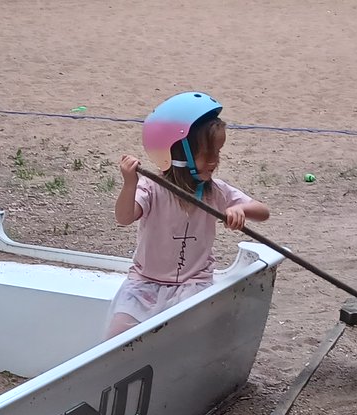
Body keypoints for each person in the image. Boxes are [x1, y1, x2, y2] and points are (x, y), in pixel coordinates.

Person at [105, 92, 270, 338]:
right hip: (145, 282)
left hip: (194, 283)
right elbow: (124, 217)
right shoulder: (151, 189)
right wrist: (130, 183)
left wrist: (240, 209)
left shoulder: (216, 191)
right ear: (179, 153)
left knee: (185, 335)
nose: (215, 161)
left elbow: (263, 212)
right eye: (208, 153)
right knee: (116, 338)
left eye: (218, 153)